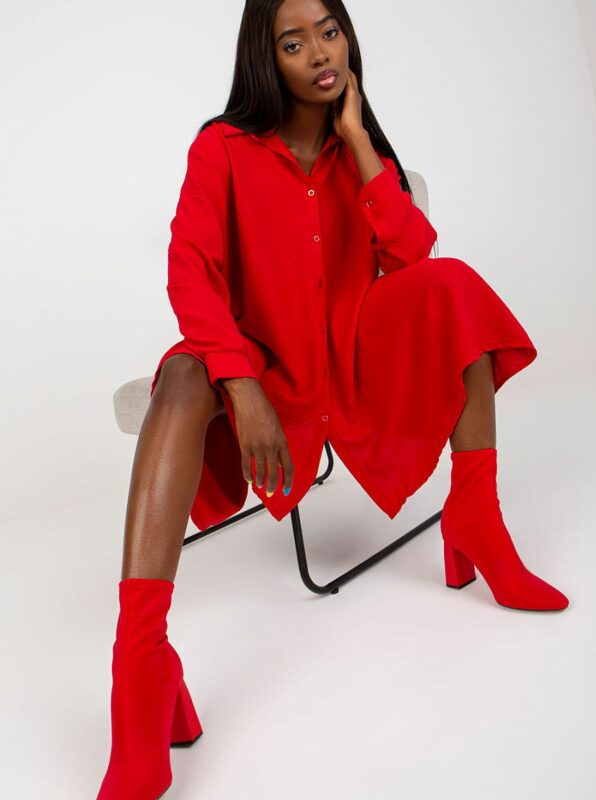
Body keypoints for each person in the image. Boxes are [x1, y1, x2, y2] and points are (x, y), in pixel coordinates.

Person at [96, 0, 570, 796]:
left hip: (350, 365)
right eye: (294, 42)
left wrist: (356, 139)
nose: (319, 52)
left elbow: (413, 257)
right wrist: (242, 386)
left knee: (450, 287)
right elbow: (190, 271)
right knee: (181, 375)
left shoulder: (362, 148)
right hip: (261, 367)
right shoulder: (222, 148)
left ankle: (476, 517)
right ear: (266, 57)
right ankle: (141, 664)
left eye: (329, 31)